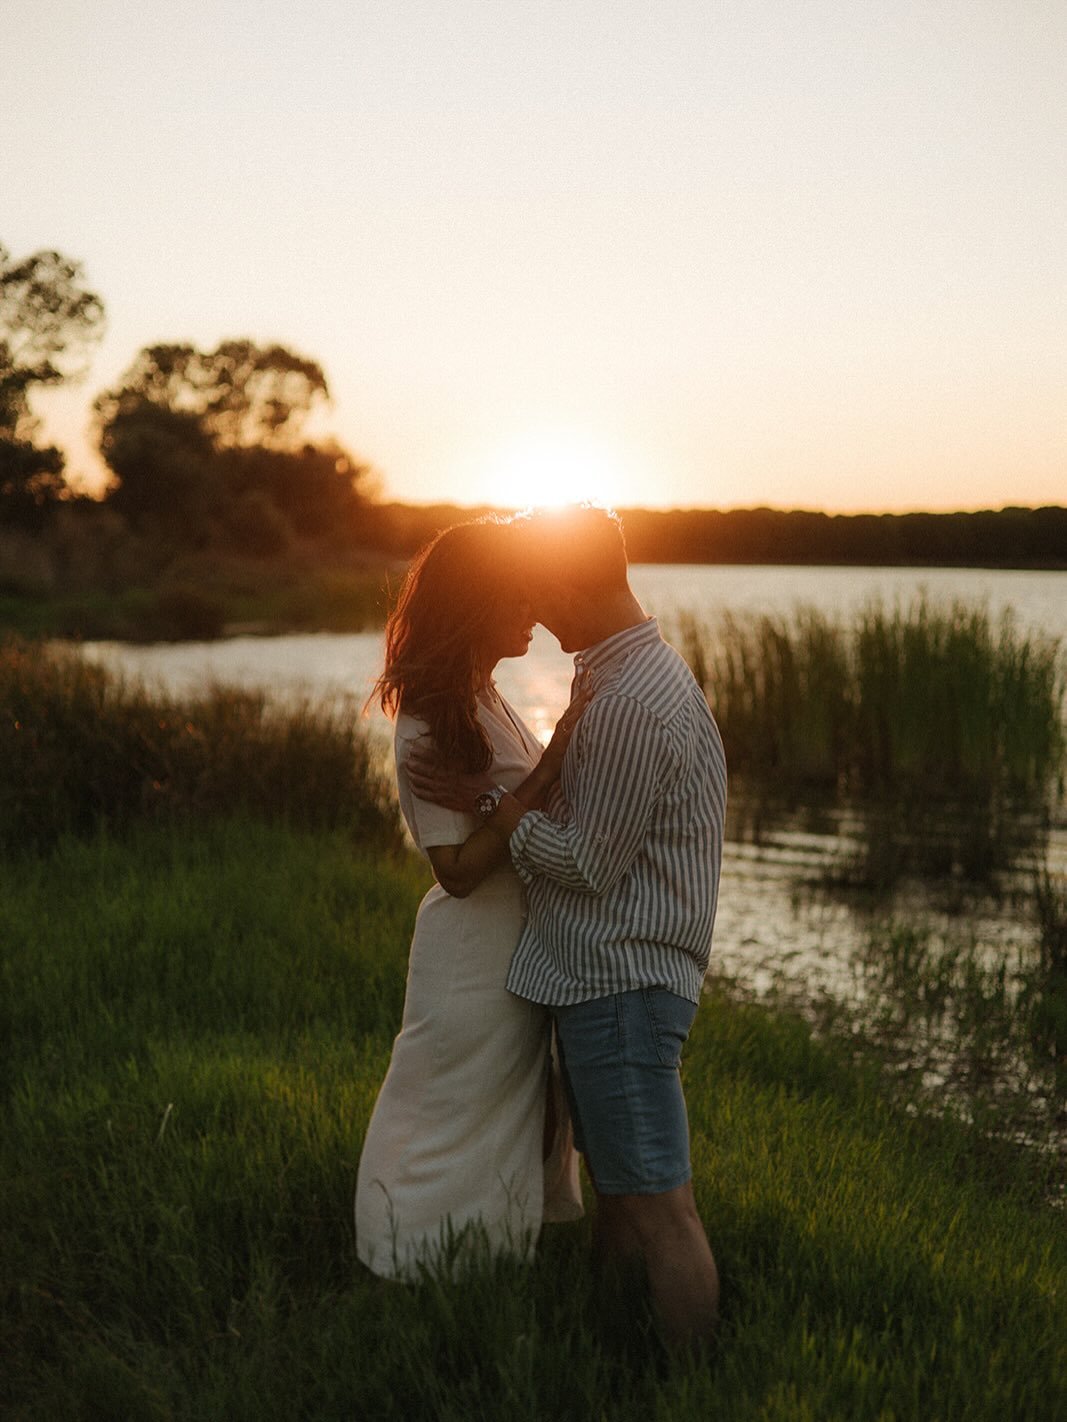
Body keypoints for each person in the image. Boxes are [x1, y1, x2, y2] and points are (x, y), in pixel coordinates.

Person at [408, 504, 727, 1353]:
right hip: (596, 980)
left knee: (659, 1205)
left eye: (537, 592)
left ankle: (692, 1383)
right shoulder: (613, 676)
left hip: (621, 983)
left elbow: (586, 864)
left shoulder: (629, 700)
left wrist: (489, 807)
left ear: (565, 582)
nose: (534, 612)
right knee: (626, 1196)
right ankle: (616, 1355)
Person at [354, 516, 585, 1281]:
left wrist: (509, 794)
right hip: (472, 950)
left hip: (511, 945)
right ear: (476, 602)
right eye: (516, 594)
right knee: (450, 1101)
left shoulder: (482, 693)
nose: (533, 608)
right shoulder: (431, 709)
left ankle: (478, 1261)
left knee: (499, 1107)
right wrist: (545, 773)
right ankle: (401, 1254)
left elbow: (506, 808)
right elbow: (453, 868)